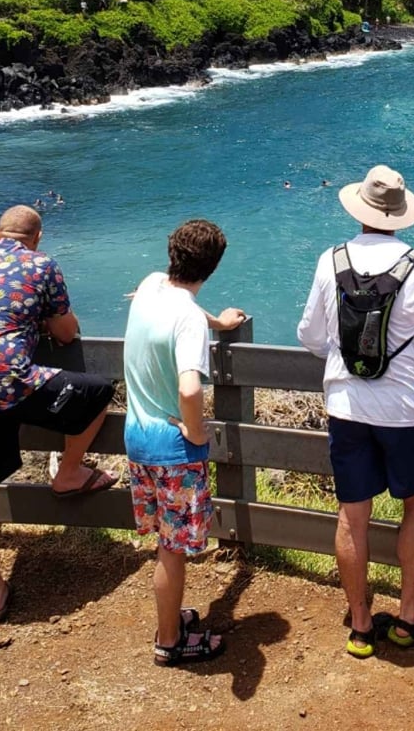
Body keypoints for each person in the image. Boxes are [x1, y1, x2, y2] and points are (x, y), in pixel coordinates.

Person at [297, 164, 414, 657]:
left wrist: (349, 360)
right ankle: (407, 616)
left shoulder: (331, 259)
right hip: (405, 411)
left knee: (351, 517)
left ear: (359, 208)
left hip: (346, 406)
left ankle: (361, 625)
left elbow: (310, 336)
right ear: (401, 215)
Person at [0, 205, 119, 624]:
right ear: (37, 237)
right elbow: (66, 332)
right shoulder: (42, 265)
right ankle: (69, 472)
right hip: (4, 381)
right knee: (99, 393)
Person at [122, 219, 246, 665]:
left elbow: (179, 310)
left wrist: (215, 320)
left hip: (136, 438)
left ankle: (171, 617)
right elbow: (190, 388)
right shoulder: (188, 319)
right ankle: (170, 641)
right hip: (173, 449)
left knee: (164, 542)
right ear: (211, 268)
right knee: (172, 551)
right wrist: (196, 432)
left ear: (172, 253)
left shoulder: (151, 284)